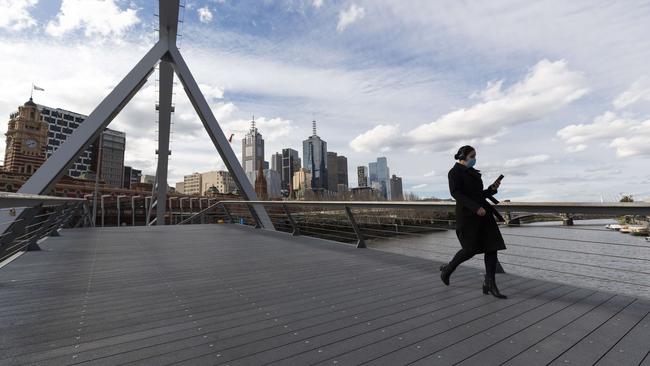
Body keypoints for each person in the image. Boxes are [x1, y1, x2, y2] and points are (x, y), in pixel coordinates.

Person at [440, 145, 508, 299]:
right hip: (468, 215)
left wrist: (492, 189)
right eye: (472, 156)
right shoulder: (454, 172)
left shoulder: (473, 173)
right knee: (469, 249)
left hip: (483, 214)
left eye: (475, 156)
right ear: (462, 156)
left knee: (492, 247)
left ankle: (489, 283)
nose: (474, 159)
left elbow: (478, 194)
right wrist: (475, 208)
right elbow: (456, 193)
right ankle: (448, 270)